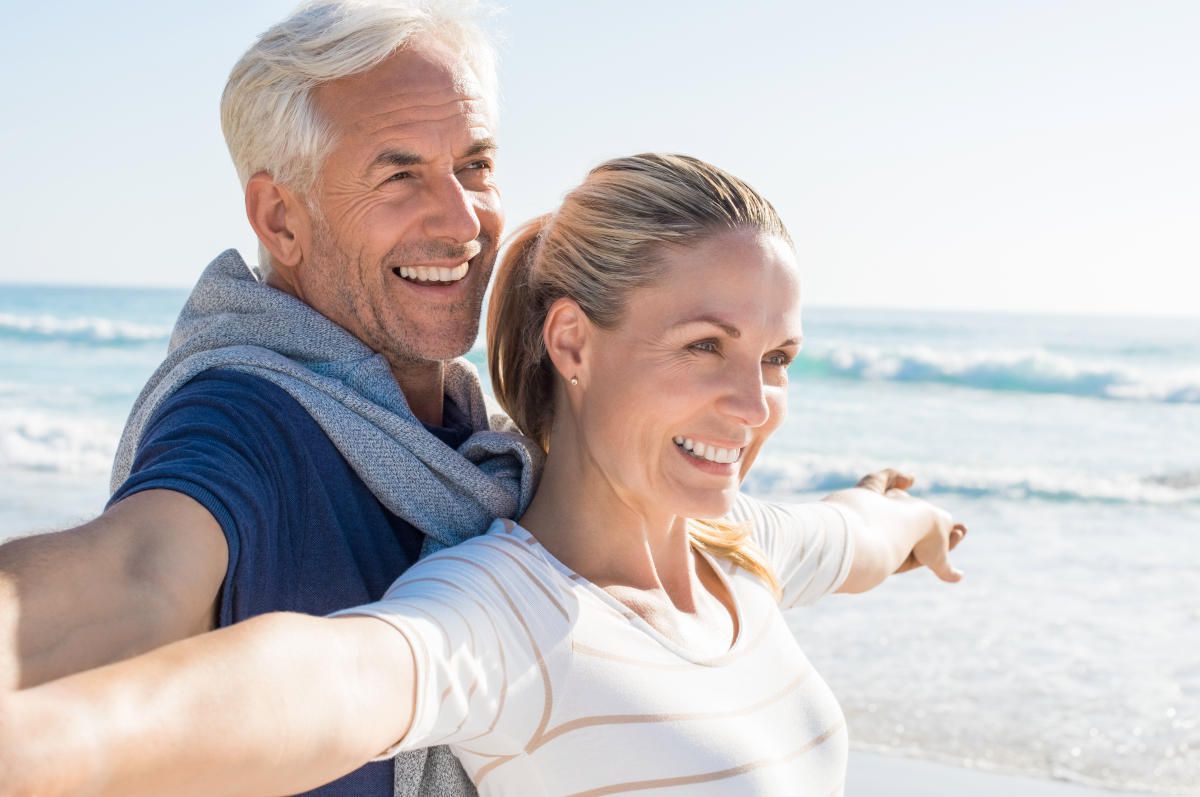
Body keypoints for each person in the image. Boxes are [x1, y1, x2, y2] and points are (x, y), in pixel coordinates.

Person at [0, 153, 966, 797]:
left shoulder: (742, 548)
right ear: (574, 344)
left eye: (779, 358)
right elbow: (319, 678)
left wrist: (913, 518)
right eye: (705, 347)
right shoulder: (505, 614)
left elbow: (857, 534)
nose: (754, 405)